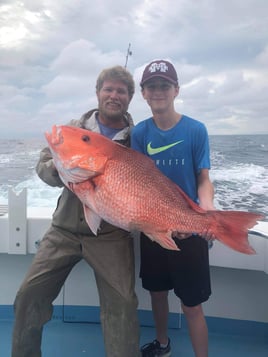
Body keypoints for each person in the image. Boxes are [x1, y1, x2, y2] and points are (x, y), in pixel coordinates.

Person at [12, 66, 141, 357]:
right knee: (28, 295)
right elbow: (43, 165)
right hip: (64, 230)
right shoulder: (73, 130)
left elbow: (147, 182)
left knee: (123, 303)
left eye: (121, 91)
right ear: (97, 93)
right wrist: (61, 170)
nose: (113, 95)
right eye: (108, 89)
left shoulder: (136, 139)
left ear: (130, 97)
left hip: (111, 235)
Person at [131, 59, 215, 357]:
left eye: (164, 86)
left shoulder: (196, 130)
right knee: (157, 293)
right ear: (143, 93)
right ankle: (163, 343)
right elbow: (138, 185)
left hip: (189, 231)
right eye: (151, 86)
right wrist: (157, 223)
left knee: (192, 304)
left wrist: (205, 213)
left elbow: (203, 180)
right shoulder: (139, 134)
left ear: (176, 90)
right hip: (153, 228)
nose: (158, 92)